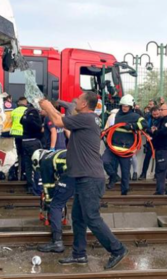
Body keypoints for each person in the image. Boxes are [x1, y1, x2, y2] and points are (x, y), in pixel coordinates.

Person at [39, 91, 128, 270]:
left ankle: (117, 249)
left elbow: (57, 121)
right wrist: (54, 107)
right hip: (83, 177)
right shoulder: (88, 119)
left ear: (85, 104)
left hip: (90, 178)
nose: (75, 101)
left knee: (92, 217)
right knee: (78, 218)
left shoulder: (86, 118)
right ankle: (79, 254)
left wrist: (46, 105)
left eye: (78, 99)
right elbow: (67, 123)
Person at [102, 94, 146, 195]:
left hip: (126, 149)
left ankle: (124, 192)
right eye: (123, 105)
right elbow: (110, 127)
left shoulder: (135, 116)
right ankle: (114, 176)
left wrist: (131, 126)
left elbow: (144, 124)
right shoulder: (116, 115)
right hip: (112, 147)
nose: (124, 107)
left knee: (125, 173)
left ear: (131, 106)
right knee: (104, 161)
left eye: (127, 106)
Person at [36, 149, 75, 253]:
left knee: (55, 205)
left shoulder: (44, 161)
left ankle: (57, 242)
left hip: (72, 172)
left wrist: (48, 203)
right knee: (80, 205)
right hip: (87, 171)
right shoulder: (55, 154)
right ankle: (80, 247)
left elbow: (48, 186)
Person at [20, 102, 44, 195]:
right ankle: (37, 189)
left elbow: (21, 121)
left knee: (28, 165)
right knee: (36, 164)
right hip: (33, 141)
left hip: (24, 141)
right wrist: (40, 128)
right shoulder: (34, 112)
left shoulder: (26, 112)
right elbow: (35, 125)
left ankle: (30, 186)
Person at [139, 106, 161, 180]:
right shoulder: (147, 117)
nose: (156, 116)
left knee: (159, 159)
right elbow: (144, 127)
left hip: (159, 140)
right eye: (154, 115)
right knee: (147, 158)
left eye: (157, 114)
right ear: (151, 113)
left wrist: (156, 130)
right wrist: (149, 131)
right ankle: (143, 174)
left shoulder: (162, 119)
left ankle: (157, 175)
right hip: (149, 140)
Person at [10, 97, 28, 180]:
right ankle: (23, 174)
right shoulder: (27, 111)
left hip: (14, 134)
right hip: (23, 135)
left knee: (15, 155)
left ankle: (13, 173)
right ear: (25, 102)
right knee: (24, 155)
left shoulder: (13, 111)